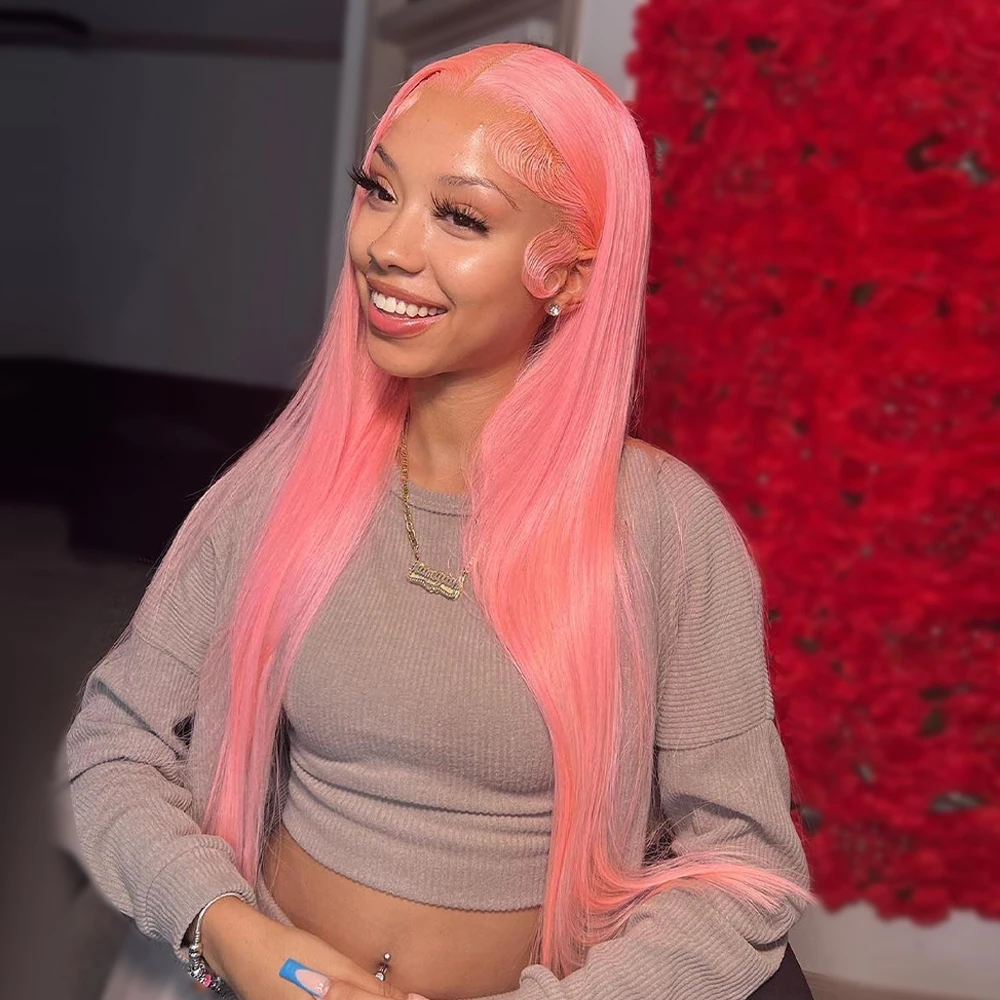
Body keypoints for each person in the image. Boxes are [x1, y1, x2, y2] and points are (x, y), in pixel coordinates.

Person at [65, 43, 816, 1000]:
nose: (389, 245)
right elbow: (114, 747)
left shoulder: (665, 529)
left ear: (570, 276)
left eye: (461, 217)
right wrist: (232, 934)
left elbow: (743, 868)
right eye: (379, 192)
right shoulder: (280, 491)